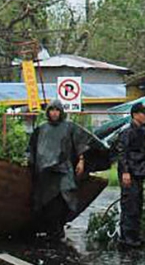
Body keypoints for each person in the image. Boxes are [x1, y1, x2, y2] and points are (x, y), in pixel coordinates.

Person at [26, 100, 102, 239]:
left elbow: (81, 143)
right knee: (47, 202)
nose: (54, 113)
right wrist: (29, 161)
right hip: (46, 172)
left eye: (57, 110)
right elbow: (31, 148)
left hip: (64, 170)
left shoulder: (69, 127)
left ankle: (58, 229)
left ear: (61, 112)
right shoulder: (41, 129)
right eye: (52, 110)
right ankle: (51, 231)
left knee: (64, 200)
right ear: (48, 112)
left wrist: (81, 160)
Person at [118, 103, 145, 248]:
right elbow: (122, 153)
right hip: (129, 172)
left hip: (139, 171)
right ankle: (127, 238)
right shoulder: (127, 132)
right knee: (129, 204)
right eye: (143, 113)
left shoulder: (141, 130)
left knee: (137, 203)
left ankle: (135, 235)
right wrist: (125, 172)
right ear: (135, 114)